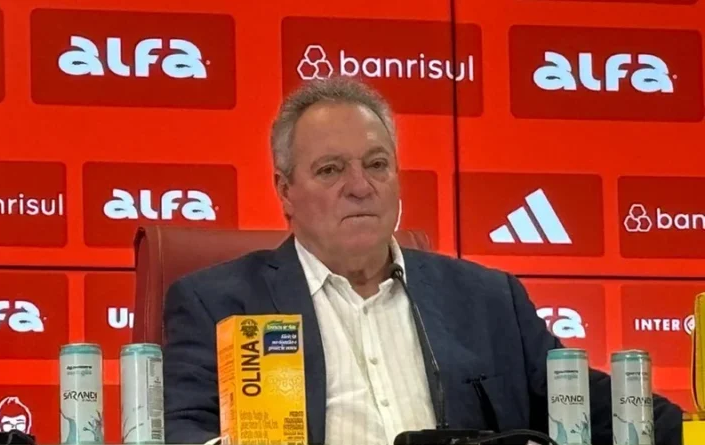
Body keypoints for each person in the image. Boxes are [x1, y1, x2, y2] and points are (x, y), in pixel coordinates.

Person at [162, 76, 683, 445]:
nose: (360, 186)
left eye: (377, 164)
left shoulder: (488, 300)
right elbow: (181, 432)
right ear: (285, 191)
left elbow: (600, 410)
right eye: (330, 170)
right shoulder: (219, 303)